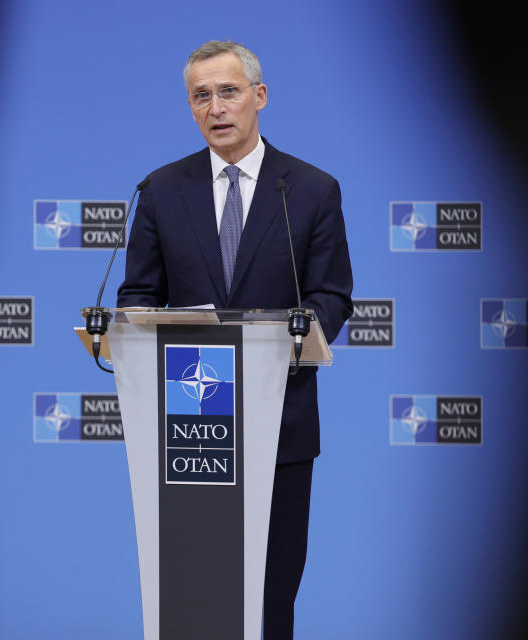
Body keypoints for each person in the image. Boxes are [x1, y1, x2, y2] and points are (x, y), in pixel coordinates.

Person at [117, 40, 354, 639]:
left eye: (228, 91)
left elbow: (331, 296)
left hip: (281, 421)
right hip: (192, 427)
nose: (216, 107)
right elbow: (137, 298)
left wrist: (293, 340)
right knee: (194, 597)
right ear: (190, 108)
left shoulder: (310, 189)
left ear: (259, 96)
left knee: (271, 596)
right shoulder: (161, 190)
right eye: (202, 96)